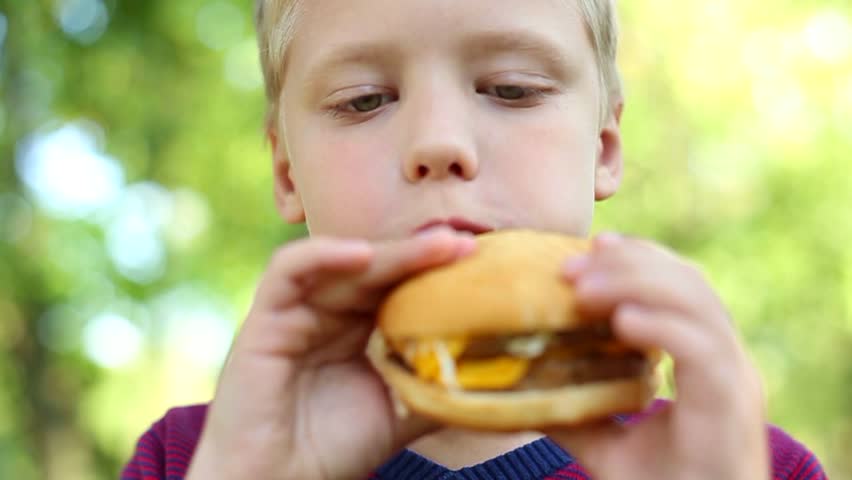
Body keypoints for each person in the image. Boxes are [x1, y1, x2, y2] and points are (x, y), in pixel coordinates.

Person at [121, 1, 827, 479]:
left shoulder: (743, 463)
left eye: (512, 89)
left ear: (603, 149)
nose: (438, 142)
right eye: (364, 100)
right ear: (287, 172)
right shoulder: (190, 459)